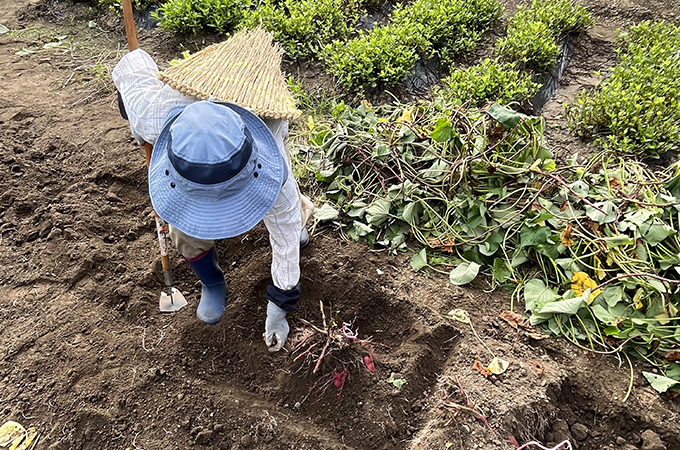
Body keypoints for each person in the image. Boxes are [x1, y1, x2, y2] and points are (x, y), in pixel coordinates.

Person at [112, 48, 312, 352]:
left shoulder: (267, 143)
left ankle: (302, 216)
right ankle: (212, 282)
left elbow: (282, 234)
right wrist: (129, 115)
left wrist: (279, 306)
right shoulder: (152, 113)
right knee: (182, 229)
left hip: (261, 98)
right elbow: (132, 66)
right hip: (191, 98)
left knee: (287, 218)